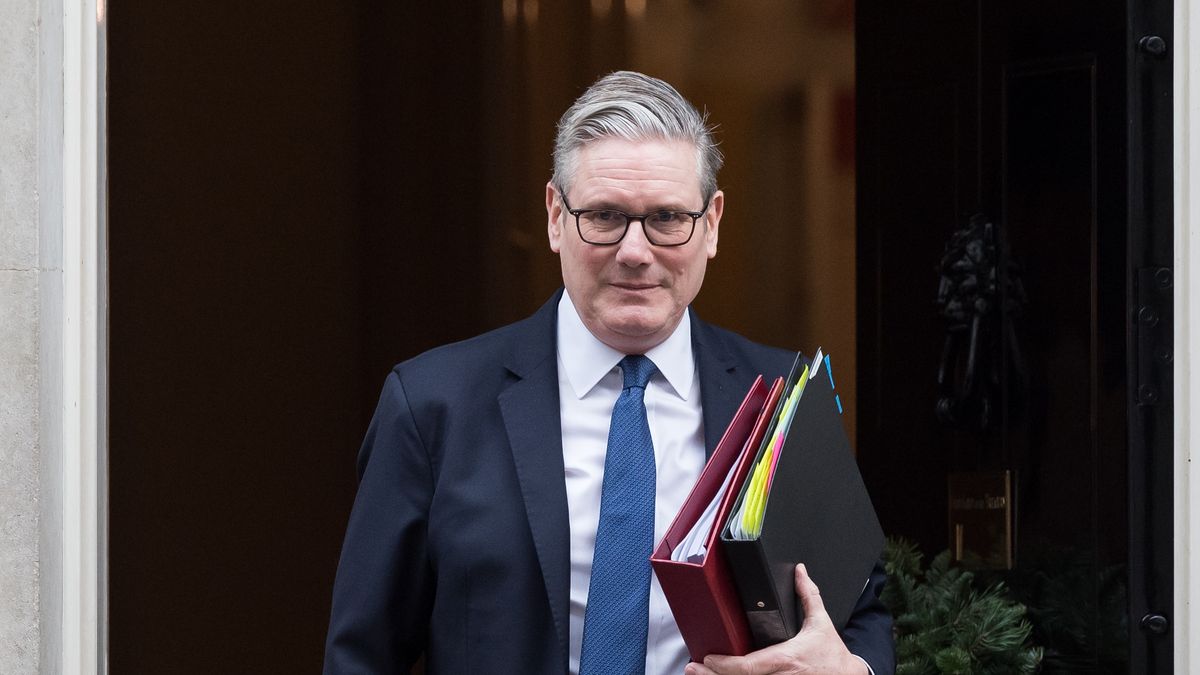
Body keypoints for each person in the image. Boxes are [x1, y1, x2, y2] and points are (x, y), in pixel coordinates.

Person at [324, 71, 893, 675]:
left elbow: (859, 610)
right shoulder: (434, 405)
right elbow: (363, 655)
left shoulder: (782, 399)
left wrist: (851, 670)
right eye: (604, 216)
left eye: (668, 217)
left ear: (713, 224)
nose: (635, 251)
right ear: (554, 216)